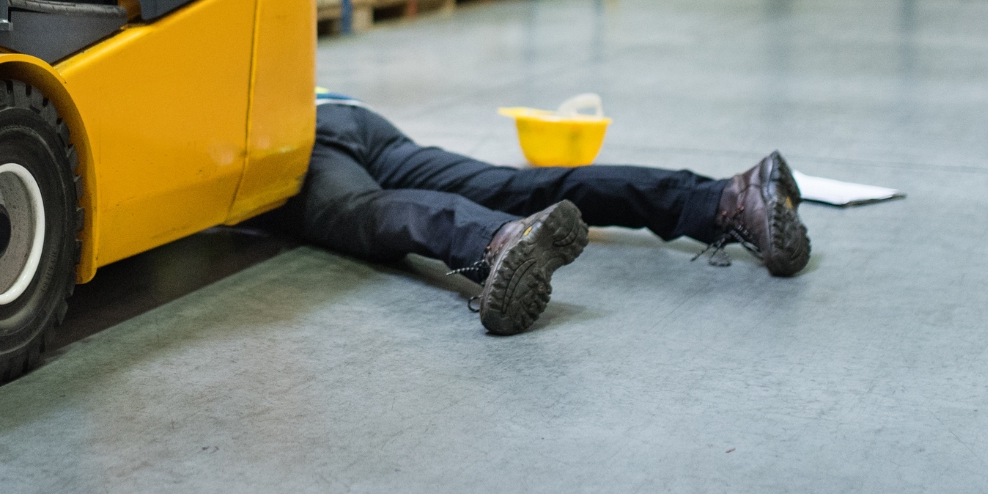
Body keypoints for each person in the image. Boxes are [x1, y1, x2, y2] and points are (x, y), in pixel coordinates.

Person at [266, 94, 811, 335]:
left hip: (280, 135)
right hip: (347, 112)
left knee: (359, 212)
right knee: (513, 184)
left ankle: (499, 241)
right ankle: (731, 197)